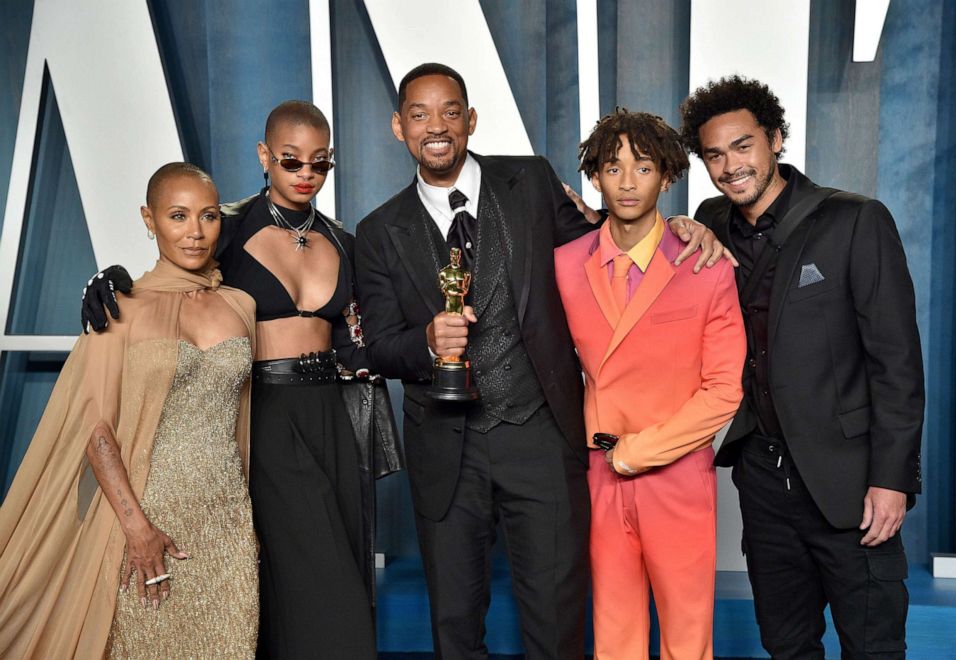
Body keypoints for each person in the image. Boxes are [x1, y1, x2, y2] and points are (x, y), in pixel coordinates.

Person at [354, 63, 725, 659]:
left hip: (542, 440)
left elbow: (607, 240)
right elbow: (376, 345)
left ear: (470, 119)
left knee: (556, 619)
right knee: (455, 621)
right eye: (420, 115)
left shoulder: (529, 181)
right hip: (447, 451)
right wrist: (425, 340)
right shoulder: (376, 231)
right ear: (399, 128)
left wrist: (679, 227)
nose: (437, 127)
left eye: (450, 111)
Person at [79, 101, 401, 659]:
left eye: (319, 164)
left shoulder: (347, 242)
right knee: (316, 584)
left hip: (337, 414)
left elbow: (366, 332)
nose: (306, 174)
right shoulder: (224, 227)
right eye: (290, 160)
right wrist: (110, 278)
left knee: (336, 574)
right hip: (267, 415)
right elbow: (171, 277)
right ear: (263, 156)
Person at [679, 76, 925, 659]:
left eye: (743, 146)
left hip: (850, 480)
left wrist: (892, 480)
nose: (730, 165)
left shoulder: (854, 220)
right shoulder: (710, 221)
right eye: (714, 154)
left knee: (873, 648)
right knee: (786, 646)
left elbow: (897, 364)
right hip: (763, 479)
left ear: (776, 140)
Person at [0, 163, 258, 658]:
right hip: (145, 514)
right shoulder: (116, 307)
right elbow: (96, 430)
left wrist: (250, 526)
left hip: (227, 520)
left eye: (207, 216)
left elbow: (244, 420)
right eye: (178, 216)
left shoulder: (241, 305)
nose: (195, 232)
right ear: (149, 218)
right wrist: (137, 529)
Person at [555, 109, 746, 660]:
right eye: (613, 168)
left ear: (667, 176)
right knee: (614, 635)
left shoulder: (704, 265)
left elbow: (723, 390)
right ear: (594, 177)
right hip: (597, 474)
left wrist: (639, 452)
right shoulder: (565, 265)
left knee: (687, 638)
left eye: (643, 168)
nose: (628, 182)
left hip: (677, 474)